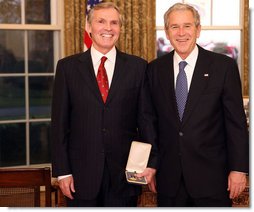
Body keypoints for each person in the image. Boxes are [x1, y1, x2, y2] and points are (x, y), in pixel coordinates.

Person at [51, 2, 157, 207]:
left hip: (125, 176)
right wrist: (63, 171)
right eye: (101, 21)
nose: (108, 28)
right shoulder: (67, 68)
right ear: (89, 27)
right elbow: (59, 126)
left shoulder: (138, 67)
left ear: (120, 28)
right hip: (80, 177)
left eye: (114, 23)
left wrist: (151, 163)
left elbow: (146, 121)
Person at [147, 3, 249, 207]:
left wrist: (239, 169)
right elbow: (150, 121)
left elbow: (236, 123)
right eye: (174, 27)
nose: (181, 33)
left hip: (213, 180)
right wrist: (150, 165)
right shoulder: (154, 70)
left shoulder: (223, 67)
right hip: (169, 181)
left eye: (188, 26)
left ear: (198, 29)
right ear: (167, 32)